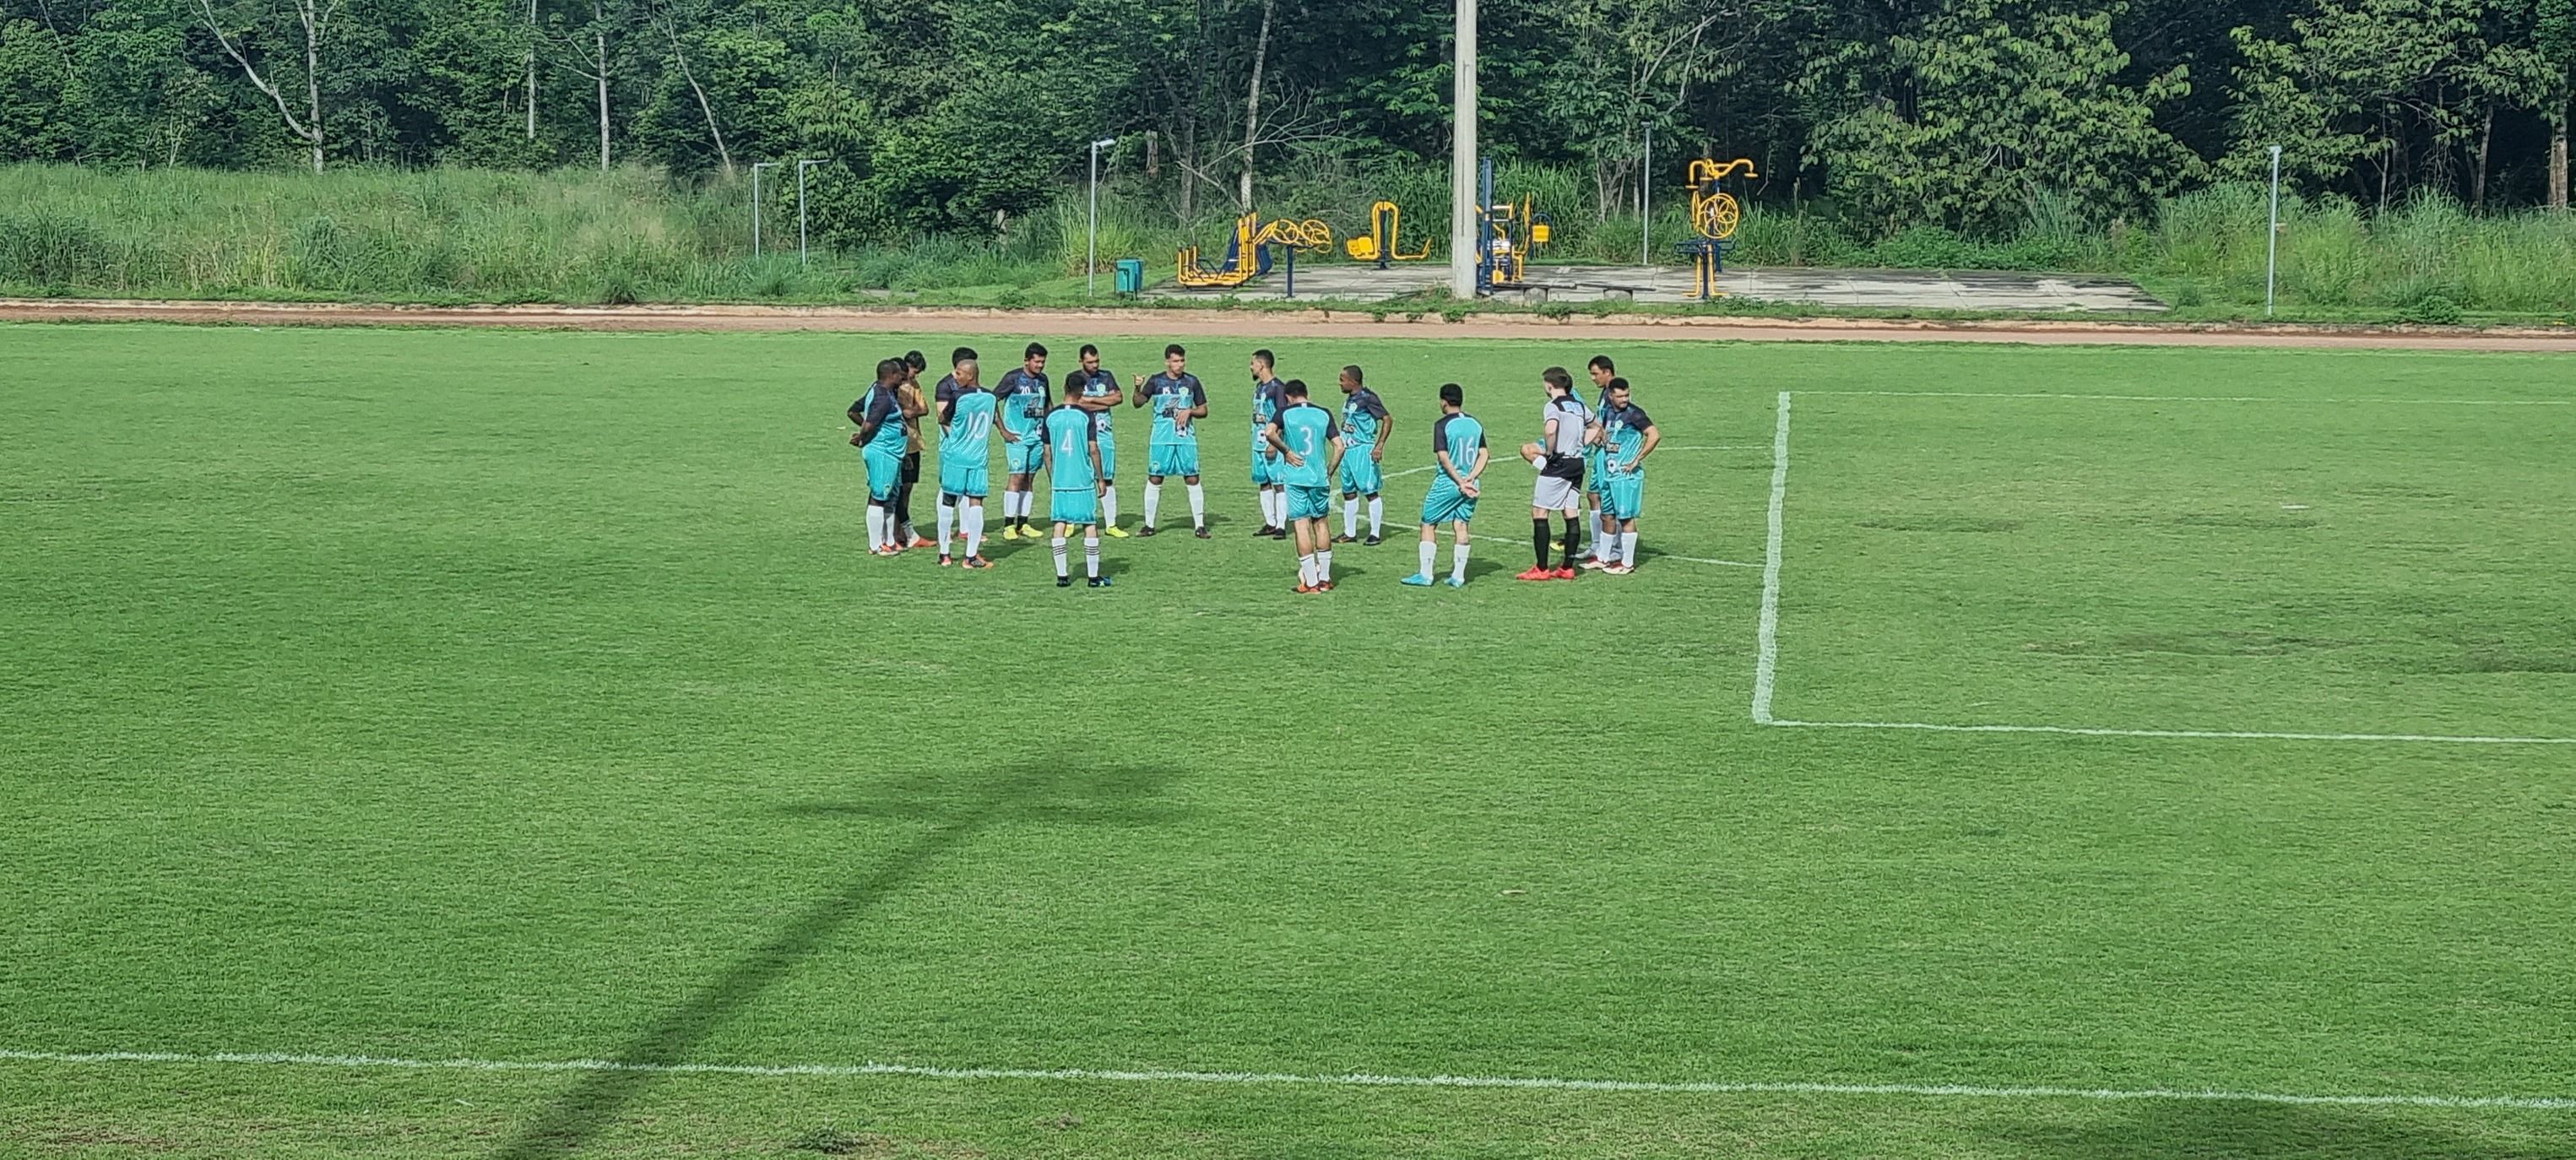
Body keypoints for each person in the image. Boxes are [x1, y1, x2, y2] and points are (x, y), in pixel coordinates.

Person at [1402, 383, 1487, 588]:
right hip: (1472, 483)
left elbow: (1443, 456)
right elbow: (1484, 454)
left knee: (1428, 523)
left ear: (1444, 402)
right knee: (1461, 525)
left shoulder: (1442, 425)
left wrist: (1460, 482)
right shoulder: (1475, 423)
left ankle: (1426, 574)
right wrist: (1470, 478)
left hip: (1448, 483)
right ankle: (1458, 576)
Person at [1265, 379, 1343, 592]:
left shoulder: (1284, 413)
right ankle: (1325, 579)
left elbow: (1269, 432)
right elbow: (1339, 446)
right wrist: (1329, 471)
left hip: (1296, 477)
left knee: (1301, 526)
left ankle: (1311, 582)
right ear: (1306, 393)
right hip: (1319, 478)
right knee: (1321, 523)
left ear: (1288, 397)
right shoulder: (1323, 413)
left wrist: (1287, 451)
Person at [1517, 366, 1590, 581]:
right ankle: (1567, 567)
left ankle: (1541, 569)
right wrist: (1581, 444)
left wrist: (1550, 452)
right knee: (1570, 512)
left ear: (1549, 385)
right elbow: (1596, 427)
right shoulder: (1578, 405)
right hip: (1577, 463)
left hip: (1560, 464)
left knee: (1540, 512)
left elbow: (1550, 430)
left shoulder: (1553, 405)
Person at [1130, 344, 1210, 538]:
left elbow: (1203, 410)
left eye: (1182, 360)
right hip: (1161, 438)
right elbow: (1138, 403)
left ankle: (1200, 526)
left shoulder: (1192, 382)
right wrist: (1138, 387)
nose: (1179, 364)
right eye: (1175, 361)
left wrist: (1190, 411)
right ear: (1167, 361)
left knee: (1192, 477)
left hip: (1185, 438)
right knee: (1155, 478)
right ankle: (1149, 525)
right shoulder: (1156, 381)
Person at [1591, 377, 1659, 575]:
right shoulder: (1608, 411)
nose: (1624, 399)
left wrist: (1637, 459)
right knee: (1607, 515)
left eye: (1627, 395)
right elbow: (1604, 431)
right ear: (1610, 396)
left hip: (1626, 476)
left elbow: (1654, 434)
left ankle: (1627, 564)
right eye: (1620, 396)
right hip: (1610, 474)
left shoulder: (1635, 414)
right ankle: (1603, 558)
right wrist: (1599, 438)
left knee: (1626, 519)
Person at [935, 355, 997, 569]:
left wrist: (956, 431)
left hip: (956, 457)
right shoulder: (990, 397)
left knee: (948, 502)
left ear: (970, 375)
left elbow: (943, 418)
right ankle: (971, 556)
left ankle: (944, 554)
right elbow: (994, 419)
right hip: (978, 458)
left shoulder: (958, 396)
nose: (955, 376)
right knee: (976, 504)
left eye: (959, 373)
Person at [1042, 391, 1109, 587]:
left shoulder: (1051, 416)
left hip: (1061, 481)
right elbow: (1093, 449)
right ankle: (1093, 578)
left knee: (1059, 523)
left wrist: (1053, 478)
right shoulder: (1086, 415)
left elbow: (1047, 452)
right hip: (1083, 480)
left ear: (1065, 387)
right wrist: (1100, 479)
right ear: (1082, 391)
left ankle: (1062, 577)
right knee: (1089, 524)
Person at [849, 358, 912, 556]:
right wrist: (862, 437)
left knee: (890, 497)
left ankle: (889, 541)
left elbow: (854, 411)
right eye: (899, 374)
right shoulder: (882, 397)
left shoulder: (880, 390)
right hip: (883, 452)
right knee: (879, 497)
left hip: (893, 453)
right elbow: (870, 424)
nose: (902, 378)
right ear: (891, 375)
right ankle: (876, 545)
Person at [1066, 344, 1128, 537]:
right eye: (1090, 362)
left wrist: (1091, 401)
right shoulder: (1074, 378)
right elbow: (1076, 403)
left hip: (1104, 435)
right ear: (1081, 361)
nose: (1094, 365)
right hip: (1081, 436)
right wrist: (1103, 401)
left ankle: (1111, 524)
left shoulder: (1106, 376)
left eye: (1097, 361)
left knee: (1107, 478)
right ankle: (1071, 522)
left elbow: (1118, 398)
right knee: (1078, 480)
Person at [994, 343, 1052, 539]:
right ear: (1026, 361)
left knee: (1029, 479)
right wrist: (1003, 430)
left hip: (1037, 438)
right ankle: (1008, 525)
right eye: (1037, 362)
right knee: (1016, 477)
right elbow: (992, 401)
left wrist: (1050, 429)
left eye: (1043, 362)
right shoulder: (1013, 378)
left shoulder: (1043, 380)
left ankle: (1023, 523)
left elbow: (1047, 405)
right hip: (1017, 438)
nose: (1040, 365)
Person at [1332, 364, 1391, 546]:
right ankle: (1349, 533)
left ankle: (1375, 533)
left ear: (1353, 381)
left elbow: (1387, 419)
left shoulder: (1368, 398)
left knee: (1370, 492)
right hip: (1347, 452)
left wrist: (1379, 445)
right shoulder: (1351, 399)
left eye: (1342, 380)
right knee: (1348, 493)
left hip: (1362, 451)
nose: (1339, 383)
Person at [931, 346, 976, 558]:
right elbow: (943, 418)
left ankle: (965, 530)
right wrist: (958, 440)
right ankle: (945, 531)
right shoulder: (945, 386)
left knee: (966, 488)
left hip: (966, 446)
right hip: (950, 445)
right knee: (948, 487)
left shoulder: (968, 387)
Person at [893, 350, 934, 549]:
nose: (914, 376)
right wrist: (905, 412)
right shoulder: (894, 385)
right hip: (898, 442)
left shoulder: (915, 385)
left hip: (913, 442)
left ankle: (902, 529)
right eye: (914, 371)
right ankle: (894, 532)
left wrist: (911, 411)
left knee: (908, 487)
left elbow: (924, 408)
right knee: (897, 489)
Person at [1248, 350, 1289, 539]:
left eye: (1253, 363)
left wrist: (1274, 442)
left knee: (1279, 484)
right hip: (1258, 444)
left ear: (1261, 364)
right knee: (1263, 483)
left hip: (1272, 444)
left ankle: (1281, 526)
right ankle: (1270, 523)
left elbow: (1282, 417)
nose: (1251, 367)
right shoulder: (1259, 387)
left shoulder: (1278, 388)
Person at [1580, 355, 1616, 566]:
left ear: (1607, 372)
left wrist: (1602, 436)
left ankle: (1613, 548)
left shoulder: (1614, 394)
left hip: (1609, 455)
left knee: (1607, 500)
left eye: (1595, 374)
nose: (1593, 378)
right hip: (1600, 452)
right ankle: (1596, 545)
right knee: (1593, 495)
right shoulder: (1605, 393)